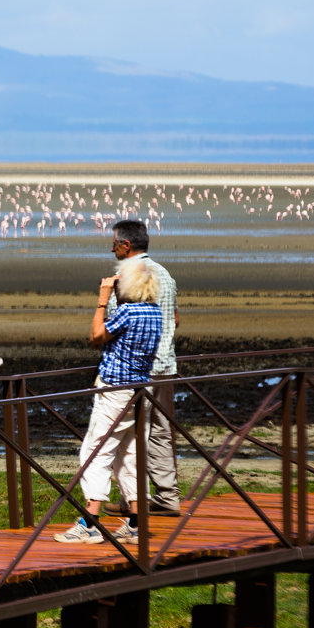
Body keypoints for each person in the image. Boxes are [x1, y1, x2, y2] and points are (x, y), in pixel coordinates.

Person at [55, 257, 162, 545]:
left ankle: (89, 522)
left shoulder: (127, 312)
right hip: (142, 390)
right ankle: (136, 524)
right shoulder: (155, 312)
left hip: (115, 391)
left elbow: (96, 336)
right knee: (130, 456)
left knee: (95, 452)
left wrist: (103, 301)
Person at [105, 219, 181, 516]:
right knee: (162, 432)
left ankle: (132, 503)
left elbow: (114, 325)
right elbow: (175, 319)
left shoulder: (126, 275)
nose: (111, 248)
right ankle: (167, 497)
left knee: (131, 434)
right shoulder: (165, 274)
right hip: (166, 364)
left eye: (113, 243)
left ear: (126, 246)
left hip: (138, 368)